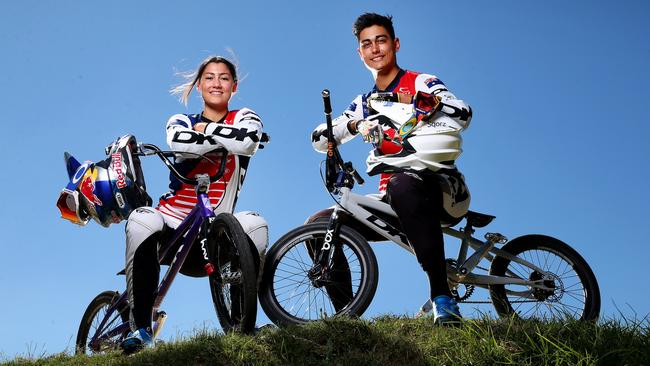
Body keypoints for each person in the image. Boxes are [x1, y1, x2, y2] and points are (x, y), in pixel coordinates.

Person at [311, 13, 472, 325]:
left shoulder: (422, 81)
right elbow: (319, 137)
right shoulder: (364, 102)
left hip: (441, 188)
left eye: (381, 40)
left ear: (395, 44)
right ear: (360, 53)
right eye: (366, 44)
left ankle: (443, 298)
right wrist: (355, 124)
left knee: (402, 184)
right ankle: (347, 319)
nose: (375, 49)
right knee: (319, 225)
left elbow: (462, 113)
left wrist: (423, 103)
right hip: (392, 198)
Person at [121, 56, 267, 352]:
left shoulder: (245, 115)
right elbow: (181, 142)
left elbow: (250, 139)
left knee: (255, 224)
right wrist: (226, 139)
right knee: (142, 219)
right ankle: (140, 327)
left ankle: (242, 327)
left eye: (224, 78)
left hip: (216, 231)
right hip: (172, 227)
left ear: (234, 86)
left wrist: (206, 132)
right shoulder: (180, 120)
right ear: (199, 85)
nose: (216, 83)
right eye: (209, 78)